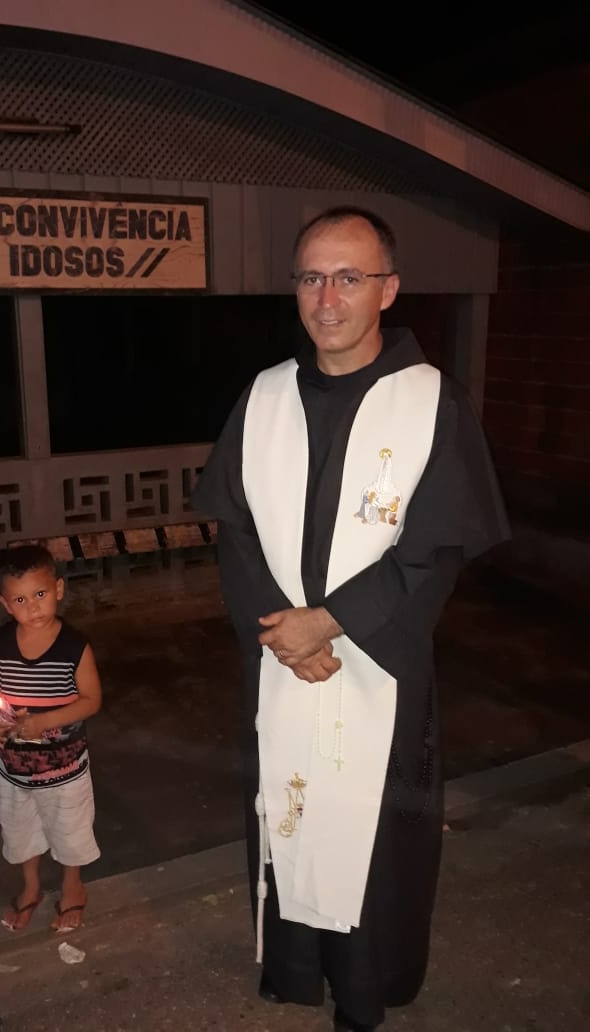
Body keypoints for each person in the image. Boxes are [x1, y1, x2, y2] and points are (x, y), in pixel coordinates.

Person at [192, 207, 509, 1031]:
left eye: (348, 277)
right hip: (283, 659)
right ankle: (298, 969)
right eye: (310, 277)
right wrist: (281, 633)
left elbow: (436, 548)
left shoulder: (432, 402)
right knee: (291, 810)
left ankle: (363, 1000)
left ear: (388, 290)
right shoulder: (265, 397)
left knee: (374, 840)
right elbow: (235, 533)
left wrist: (328, 623)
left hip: (378, 667)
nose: (326, 298)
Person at [0, 544, 102, 934]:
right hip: (13, 768)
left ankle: (72, 885)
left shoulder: (73, 647)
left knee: (69, 830)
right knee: (20, 830)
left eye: (40, 594)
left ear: (59, 589)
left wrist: (44, 721)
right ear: (5, 604)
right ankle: (31, 886)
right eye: (20, 600)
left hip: (64, 769)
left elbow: (91, 700)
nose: (33, 607)